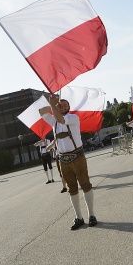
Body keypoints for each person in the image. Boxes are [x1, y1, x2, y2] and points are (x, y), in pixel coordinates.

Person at [39, 94, 97, 230]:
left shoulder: (72, 118)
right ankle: (79, 217)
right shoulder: (53, 122)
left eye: (65, 105)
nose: (63, 106)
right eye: (61, 105)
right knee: (71, 189)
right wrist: (53, 104)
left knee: (85, 185)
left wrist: (54, 106)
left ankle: (92, 215)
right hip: (63, 159)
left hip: (78, 157)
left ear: (69, 108)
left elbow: (61, 119)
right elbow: (41, 112)